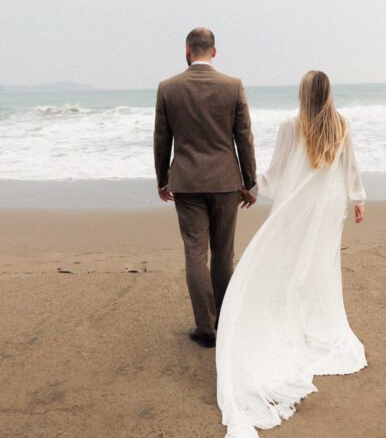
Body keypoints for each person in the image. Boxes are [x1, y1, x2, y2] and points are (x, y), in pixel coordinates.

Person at [216, 70, 367, 437]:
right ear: (328, 93)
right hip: (329, 206)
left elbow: (277, 171)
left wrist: (251, 189)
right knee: (320, 266)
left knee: (290, 262)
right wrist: (358, 198)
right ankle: (312, 322)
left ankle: (293, 319)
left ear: (303, 93)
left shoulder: (291, 125)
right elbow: (350, 166)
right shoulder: (342, 124)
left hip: (298, 205)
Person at [153, 27, 257, 349]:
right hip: (225, 181)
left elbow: (161, 138)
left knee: (196, 253)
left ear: (187, 50)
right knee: (223, 252)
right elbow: (244, 136)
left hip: (187, 182)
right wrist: (250, 182)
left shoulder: (168, 88)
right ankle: (224, 321)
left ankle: (205, 328)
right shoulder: (232, 86)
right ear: (214, 51)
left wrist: (162, 179)